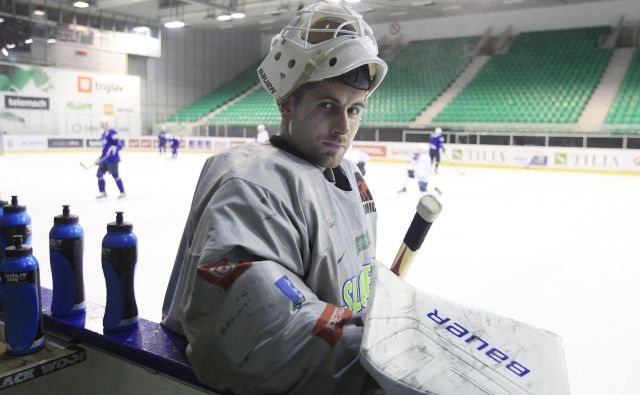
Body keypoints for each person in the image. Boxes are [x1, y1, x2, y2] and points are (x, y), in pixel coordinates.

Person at [161, 2, 387, 394]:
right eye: (327, 105)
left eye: (355, 109)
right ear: (286, 103)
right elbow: (260, 331)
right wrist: (377, 361)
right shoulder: (252, 184)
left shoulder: (348, 175)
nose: (343, 126)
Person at [95, 116, 125, 199]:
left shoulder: (113, 133)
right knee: (99, 175)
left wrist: (115, 148)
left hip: (112, 159)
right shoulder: (103, 135)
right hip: (105, 159)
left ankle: (122, 192)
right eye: (101, 123)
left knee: (115, 176)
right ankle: (103, 193)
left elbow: (119, 144)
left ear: (107, 124)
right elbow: (105, 149)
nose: (101, 125)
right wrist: (100, 158)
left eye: (103, 123)